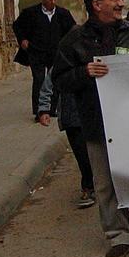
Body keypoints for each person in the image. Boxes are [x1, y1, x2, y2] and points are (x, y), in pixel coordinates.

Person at [51, 0, 129, 257]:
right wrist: (84, 72)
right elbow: (59, 80)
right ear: (97, 5)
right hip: (98, 125)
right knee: (106, 184)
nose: (121, 3)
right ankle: (119, 237)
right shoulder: (74, 40)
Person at [12, 0, 76, 120]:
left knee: (55, 79)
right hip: (36, 52)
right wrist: (22, 39)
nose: (52, 2)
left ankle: (52, 109)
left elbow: (72, 30)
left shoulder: (63, 14)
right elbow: (17, 26)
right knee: (39, 80)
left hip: (56, 53)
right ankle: (39, 111)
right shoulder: (31, 13)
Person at [37, 72, 94, 209]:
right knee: (82, 155)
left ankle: (104, 186)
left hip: (95, 112)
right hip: (72, 116)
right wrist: (44, 109)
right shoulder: (65, 55)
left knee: (98, 154)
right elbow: (51, 80)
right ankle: (88, 187)